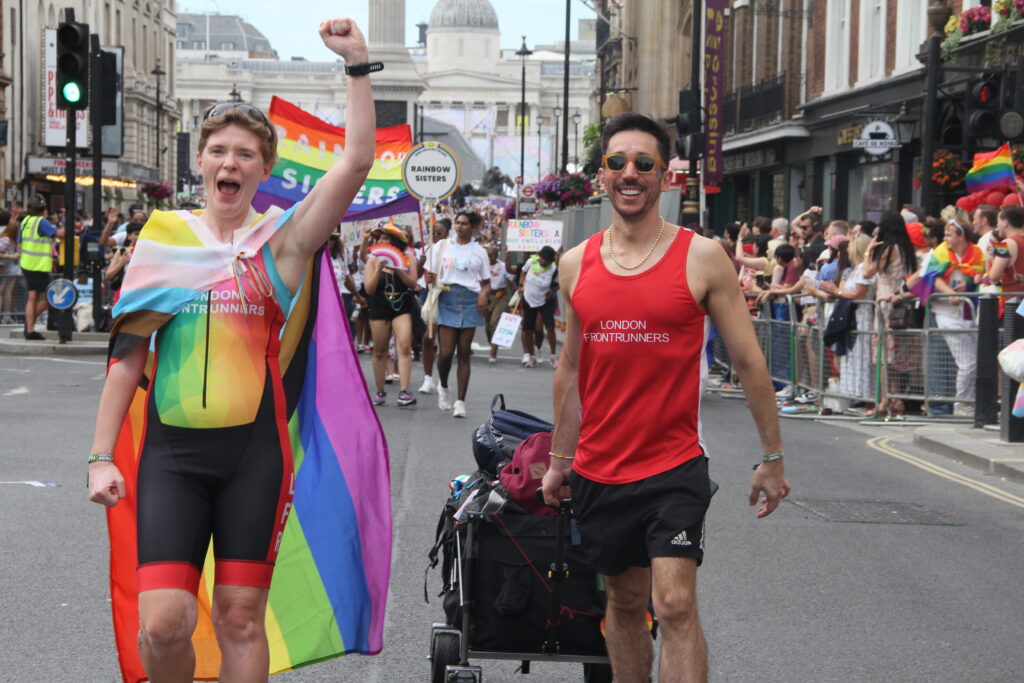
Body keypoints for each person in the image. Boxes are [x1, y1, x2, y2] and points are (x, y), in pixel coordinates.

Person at [86, 18, 382, 682]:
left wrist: (358, 66)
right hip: (171, 452)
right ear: (199, 161)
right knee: (162, 623)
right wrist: (100, 456)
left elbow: (356, 162)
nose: (230, 163)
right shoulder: (163, 238)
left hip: (254, 452)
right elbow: (127, 355)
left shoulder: (284, 240)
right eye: (218, 149)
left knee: (241, 617)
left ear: (265, 168)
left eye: (246, 154)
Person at [541, 112, 790, 683]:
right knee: (626, 604)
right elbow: (572, 367)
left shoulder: (701, 257)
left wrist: (772, 457)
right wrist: (559, 460)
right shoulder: (575, 264)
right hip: (601, 469)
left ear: (664, 177)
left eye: (644, 164)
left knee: (674, 603)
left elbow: (750, 362)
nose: (630, 173)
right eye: (618, 163)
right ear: (601, 175)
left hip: (674, 465)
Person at [424, 210, 490, 418]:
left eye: (464, 223)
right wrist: (430, 278)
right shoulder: (441, 247)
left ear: (473, 227)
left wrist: (482, 296)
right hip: (447, 298)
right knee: (445, 353)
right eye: (457, 223)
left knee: (463, 352)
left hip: (470, 300)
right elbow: (427, 273)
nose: (460, 226)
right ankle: (443, 385)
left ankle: (460, 401)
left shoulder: (480, 251)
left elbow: (486, 282)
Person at [863, 212, 918, 418]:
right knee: (897, 356)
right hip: (902, 300)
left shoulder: (887, 248)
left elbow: (868, 272)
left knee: (883, 355)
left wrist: (868, 252)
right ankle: (897, 398)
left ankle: (885, 399)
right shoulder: (906, 249)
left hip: (885, 301)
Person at [364, 223, 419, 407]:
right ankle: (380, 390)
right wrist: (379, 270)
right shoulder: (372, 260)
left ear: (394, 241)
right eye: (379, 238)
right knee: (380, 350)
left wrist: (398, 269)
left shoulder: (408, 257)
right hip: (379, 305)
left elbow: (412, 283)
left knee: (404, 346)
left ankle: (404, 391)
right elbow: (369, 289)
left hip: (401, 304)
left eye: (385, 238)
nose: (380, 241)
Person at [18, 194, 64, 340]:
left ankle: (30, 327)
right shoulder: (41, 222)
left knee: (33, 297)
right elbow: (59, 234)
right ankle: (29, 325)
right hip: (38, 265)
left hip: (27, 263)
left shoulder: (25, 221)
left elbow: (19, 243)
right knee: (50, 298)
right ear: (43, 208)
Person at [419, 217, 452, 391]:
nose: (436, 236)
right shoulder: (426, 249)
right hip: (430, 294)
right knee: (428, 336)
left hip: (447, 294)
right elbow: (418, 274)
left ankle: (442, 379)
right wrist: (421, 262)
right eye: (433, 233)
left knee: (446, 344)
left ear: (448, 233)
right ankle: (427, 378)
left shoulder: (453, 249)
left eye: (439, 233)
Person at [518, 245, 560, 367]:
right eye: (542, 258)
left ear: (550, 261)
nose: (543, 261)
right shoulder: (531, 262)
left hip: (544, 301)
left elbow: (559, 284)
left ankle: (553, 356)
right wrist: (521, 285)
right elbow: (523, 272)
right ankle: (532, 357)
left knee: (550, 328)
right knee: (528, 330)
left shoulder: (553, 269)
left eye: (546, 259)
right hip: (528, 300)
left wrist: (551, 293)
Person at [485, 244, 516, 363]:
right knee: (488, 327)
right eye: (488, 255)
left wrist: (515, 298)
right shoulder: (483, 265)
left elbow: (510, 282)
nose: (490, 258)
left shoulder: (502, 266)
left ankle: (493, 353)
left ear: (497, 256)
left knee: (495, 322)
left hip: (501, 296)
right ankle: (492, 342)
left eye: (492, 255)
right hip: (487, 296)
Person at [0, 209, 20, 322]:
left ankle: (6, 315)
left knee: (6, 290)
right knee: (5, 290)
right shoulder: (7, 239)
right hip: (6, 266)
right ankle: (6, 315)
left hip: (8, 266)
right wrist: (11, 256)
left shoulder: (9, 238)